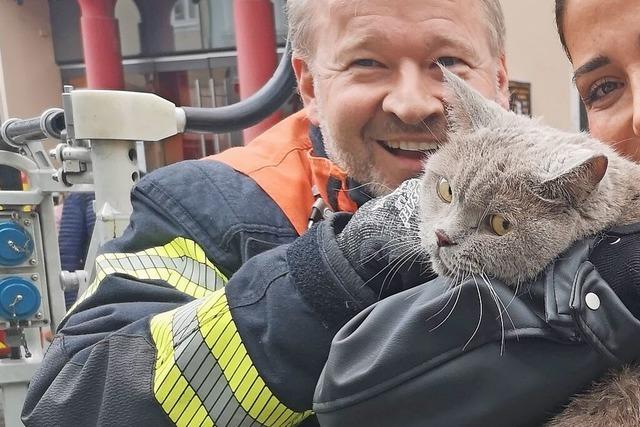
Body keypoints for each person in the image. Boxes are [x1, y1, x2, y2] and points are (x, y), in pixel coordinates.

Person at [19, 1, 638, 426]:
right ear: (310, 85)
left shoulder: (566, 189)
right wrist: (337, 272)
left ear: (498, 84)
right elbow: (73, 404)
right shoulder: (214, 205)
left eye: (447, 66)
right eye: (368, 62)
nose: (415, 102)